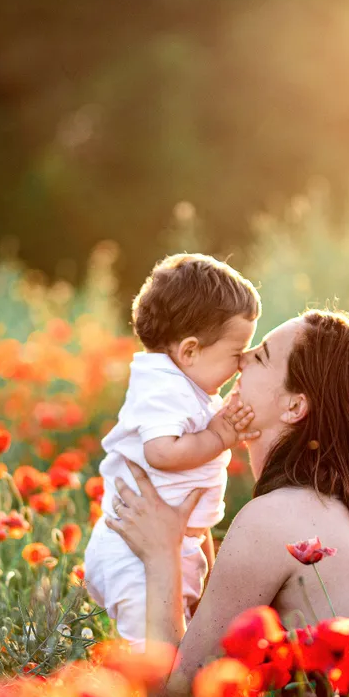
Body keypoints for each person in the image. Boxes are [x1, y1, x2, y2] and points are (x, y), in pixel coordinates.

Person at [104, 309, 349, 697]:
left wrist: (161, 558)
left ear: (295, 406)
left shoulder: (275, 519)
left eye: (262, 356)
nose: (242, 357)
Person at [83, 253, 262, 650]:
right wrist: (219, 437)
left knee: (181, 644)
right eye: (237, 354)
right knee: (153, 659)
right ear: (190, 351)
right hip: (133, 552)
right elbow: (161, 452)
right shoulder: (162, 387)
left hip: (170, 544)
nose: (242, 363)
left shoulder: (191, 386)